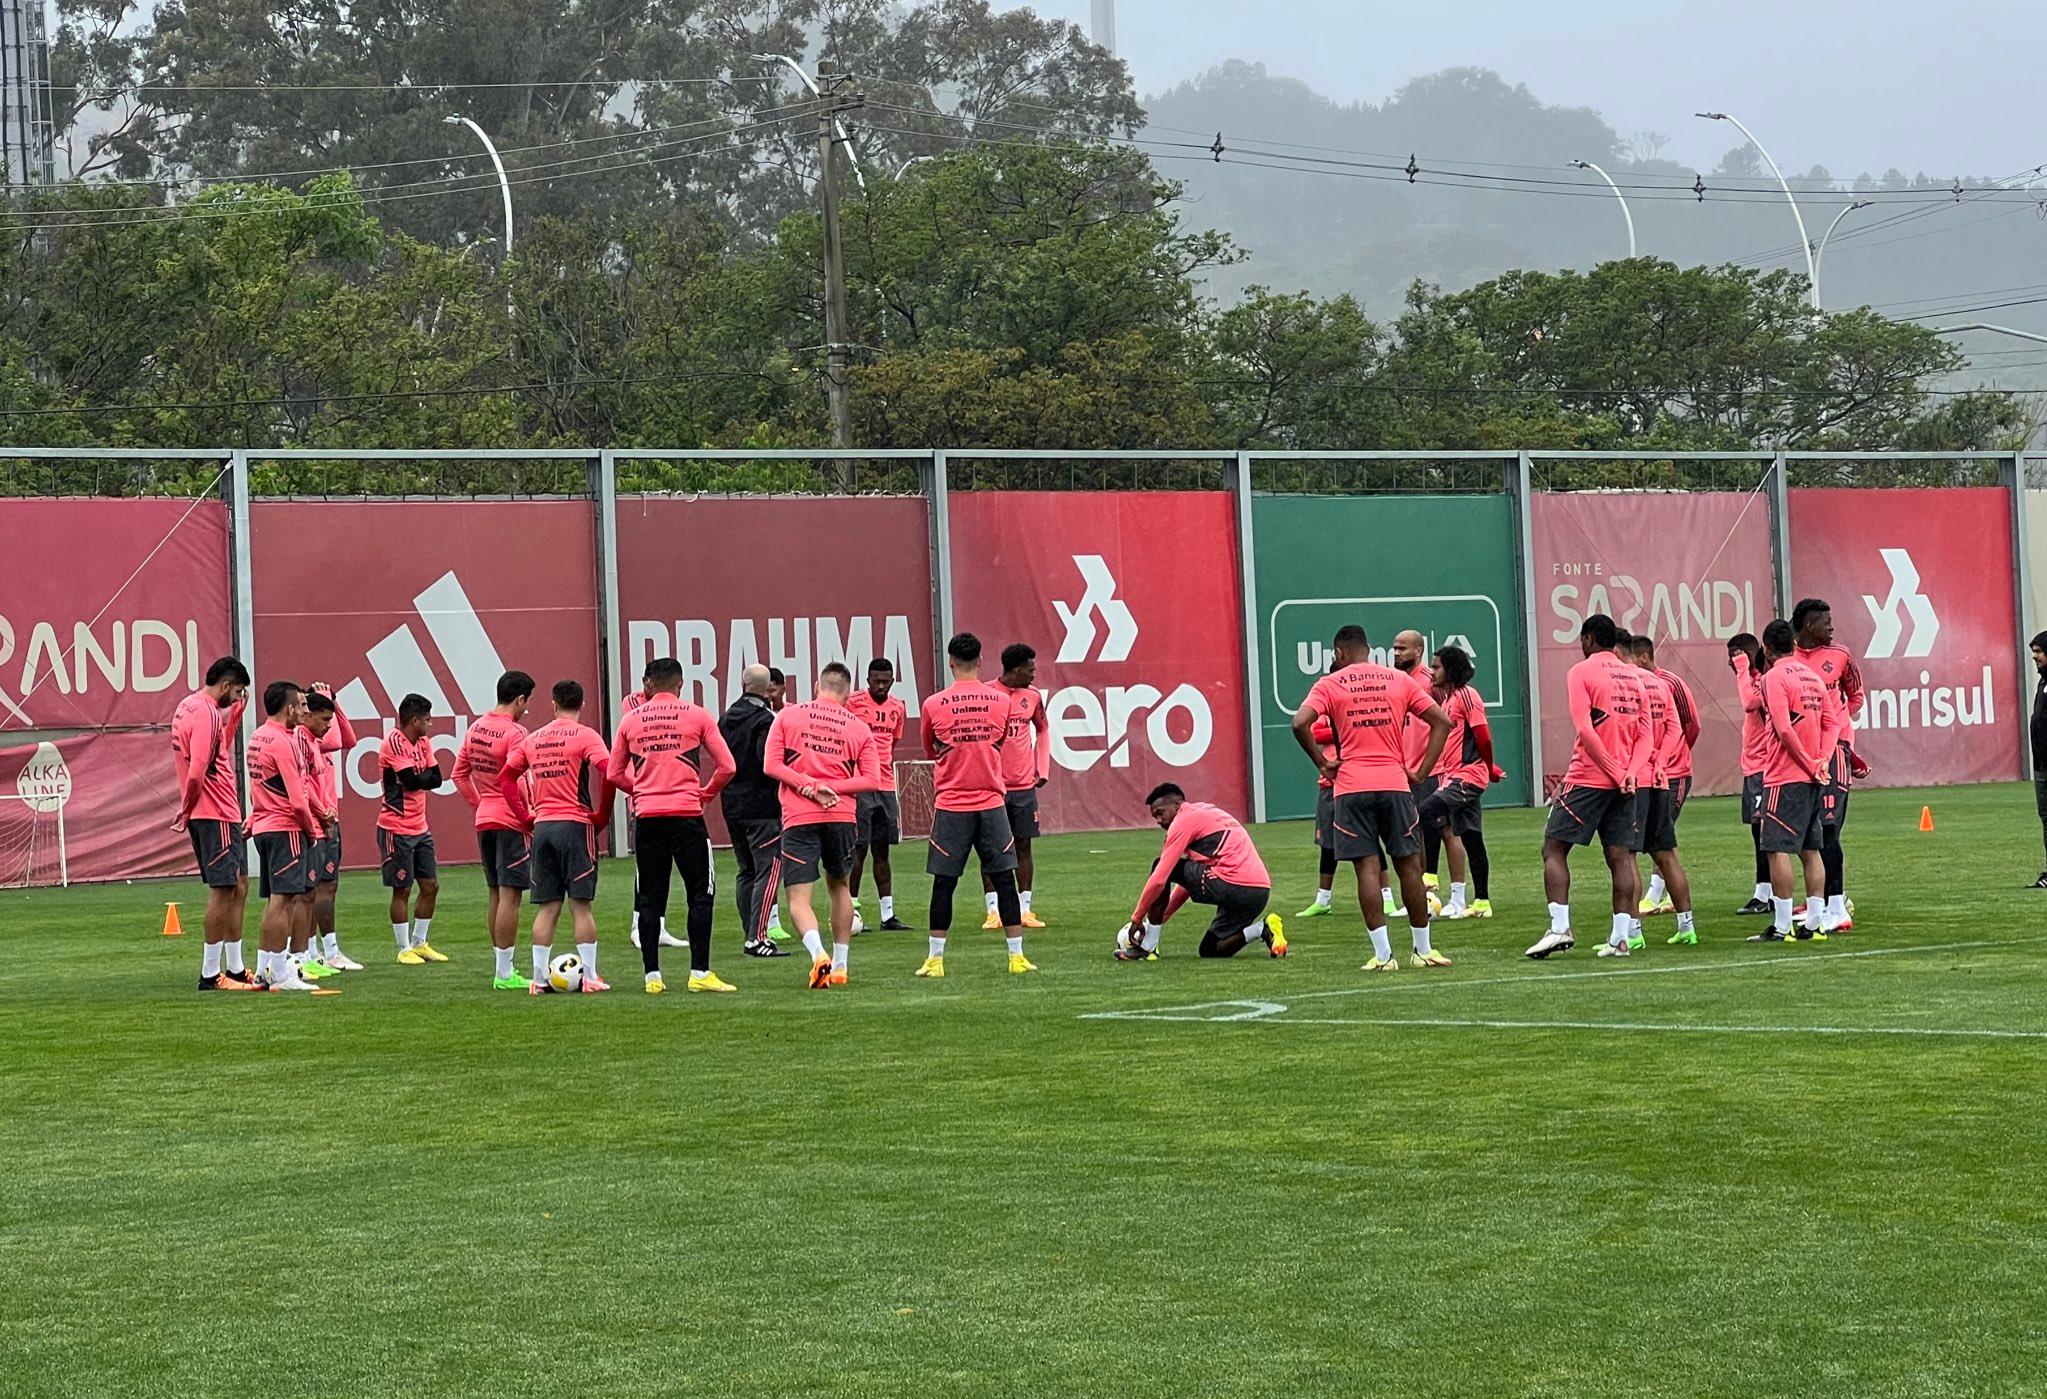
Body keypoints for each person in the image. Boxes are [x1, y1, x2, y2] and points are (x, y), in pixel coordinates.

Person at [1290, 624, 1450, 973]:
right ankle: (1423, 950)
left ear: (1339, 654)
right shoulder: (1399, 680)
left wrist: (1322, 762)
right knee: (1409, 864)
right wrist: (1421, 773)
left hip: (1351, 786)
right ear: (1370, 650)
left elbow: (1300, 722)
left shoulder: (1330, 683)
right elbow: (1442, 721)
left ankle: (1383, 956)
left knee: (1367, 867)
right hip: (1394, 783)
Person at [610, 657, 736, 994]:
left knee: (650, 897)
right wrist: (705, 794)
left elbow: (612, 773)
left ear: (649, 685)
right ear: (680, 684)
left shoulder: (631, 720)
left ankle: (652, 977)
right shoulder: (696, 715)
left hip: (648, 818)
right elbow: (727, 766)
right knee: (700, 895)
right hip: (686, 815)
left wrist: (640, 789)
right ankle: (699, 973)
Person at [1529, 613, 1648, 960]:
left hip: (1588, 778)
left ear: (1588, 640)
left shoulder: (1581, 672)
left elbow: (1585, 729)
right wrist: (1630, 773)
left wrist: (1613, 770)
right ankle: (1621, 938)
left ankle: (1559, 928)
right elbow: (1646, 736)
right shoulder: (1634, 676)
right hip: (1626, 783)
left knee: (1553, 849)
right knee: (1621, 858)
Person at [918, 633, 1033, 978]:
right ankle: (1016, 957)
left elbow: (930, 748)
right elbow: (998, 741)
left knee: (944, 883)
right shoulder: (1002, 702)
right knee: (1005, 879)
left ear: (951, 661)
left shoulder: (933, 704)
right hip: (991, 802)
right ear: (981, 661)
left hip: (952, 803)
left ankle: (936, 960)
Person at [763, 662, 883, 988]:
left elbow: (771, 764)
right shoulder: (859, 727)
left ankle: (818, 955)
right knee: (840, 887)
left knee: (799, 898)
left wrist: (810, 786)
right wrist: (834, 788)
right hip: (841, 816)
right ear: (847, 693)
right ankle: (841, 965)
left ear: (817, 685)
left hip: (799, 816)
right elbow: (872, 779)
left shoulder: (789, 716)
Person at [501, 680, 614, 994]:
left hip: (544, 826)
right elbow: (609, 771)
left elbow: (506, 778)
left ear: (553, 703)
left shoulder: (535, 738)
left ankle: (539, 980)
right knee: (581, 905)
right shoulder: (586, 735)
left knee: (547, 907)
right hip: (575, 824)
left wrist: (525, 817)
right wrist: (603, 814)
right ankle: (590, 975)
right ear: (582, 704)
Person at [1749, 620, 1844, 943]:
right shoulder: (1812, 676)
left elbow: (1782, 728)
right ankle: (1815, 923)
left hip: (1784, 775)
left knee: (1777, 849)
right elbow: (1833, 725)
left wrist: (1807, 762)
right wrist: (1821, 761)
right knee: (1811, 848)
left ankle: (1782, 925)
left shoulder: (1773, 678)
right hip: (1813, 777)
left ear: (1766, 647)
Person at [1117, 783, 1286, 961]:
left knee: (1160, 865)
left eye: (1160, 813)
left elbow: (1160, 878)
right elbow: (1189, 883)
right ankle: (1263, 929)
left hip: (1231, 883)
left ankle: (1148, 947)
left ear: (1177, 804)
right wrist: (1160, 917)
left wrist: (1137, 918)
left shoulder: (1183, 820)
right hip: (1258, 891)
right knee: (1210, 949)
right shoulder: (1206, 813)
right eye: (1154, 817)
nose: (1158, 821)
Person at [173, 656, 257, 991]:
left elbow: (213, 745)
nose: (237, 698)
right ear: (224, 685)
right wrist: (187, 808)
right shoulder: (207, 713)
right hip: (216, 812)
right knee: (223, 890)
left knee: (239, 885)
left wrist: (234, 716)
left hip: (217, 813)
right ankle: (210, 975)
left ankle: (234, 968)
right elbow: (197, 771)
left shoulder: (188, 706)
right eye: (236, 692)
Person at [453, 669, 538, 991]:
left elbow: (459, 774)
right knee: (510, 895)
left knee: (495, 892)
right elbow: (517, 780)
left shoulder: (476, 728)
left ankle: (501, 965)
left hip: (486, 818)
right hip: (510, 820)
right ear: (519, 699)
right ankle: (505, 973)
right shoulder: (515, 734)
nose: (526, 709)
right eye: (526, 703)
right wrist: (526, 816)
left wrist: (480, 804)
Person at [247, 680, 332, 993]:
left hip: (264, 826)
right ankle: (281, 973)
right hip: (286, 829)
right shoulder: (284, 742)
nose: (305, 710)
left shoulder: (258, 736)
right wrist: (311, 831)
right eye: (302, 704)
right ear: (289, 708)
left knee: (274, 901)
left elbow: (260, 786)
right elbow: (297, 799)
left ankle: (264, 970)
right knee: (284, 901)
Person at [1793, 598, 1867, 932]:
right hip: (1799, 752)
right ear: (1809, 625)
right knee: (1806, 830)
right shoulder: (1786, 660)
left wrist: (1838, 728)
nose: (1831, 628)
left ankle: (1836, 906)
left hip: (1834, 750)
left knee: (1828, 827)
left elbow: (1856, 695)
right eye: (1826, 622)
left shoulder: (1841, 655)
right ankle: (1817, 901)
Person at [1626, 634, 1695, 949]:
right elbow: (1675, 728)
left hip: (1636, 780)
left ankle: (1634, 933)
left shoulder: (1627, 682)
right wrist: (1661, 762)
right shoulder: (1660, 684)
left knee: (1626, 856)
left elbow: (1626, 730)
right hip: (1660, 778)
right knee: (1666, 855)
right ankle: (1687, 927)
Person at [1419, 645, 1496, 922]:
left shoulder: (1466, 695)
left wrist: (1489, 767)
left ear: (1450, 669)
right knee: (1472, 838)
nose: (1432, 671)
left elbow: (1483, 736)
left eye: (1437, 666)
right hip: (1456, 774)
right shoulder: (1449, 699)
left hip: (1467, 776)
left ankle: (1429, 874)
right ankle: (1482, 901)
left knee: (1427, 811)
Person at [720, 664, 788, 959]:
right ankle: (757, 937)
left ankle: (750, 931)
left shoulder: (725, 718)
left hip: (732, 804)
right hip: (762, 806)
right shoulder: (766, 720)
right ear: (768, 688)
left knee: (745, 871)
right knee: (770, 868)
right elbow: (767, 762)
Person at [985, 642, 1051, 930]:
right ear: (1015, 669)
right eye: (1030, 669)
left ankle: (1024, 909)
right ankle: (993, 911)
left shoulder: (1033, 697)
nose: (1034, 674)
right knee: (992, 848)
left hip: (1024, 785)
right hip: (992, 785)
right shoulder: (987, 694)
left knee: (1023, 844)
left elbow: (1043, 729)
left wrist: (1042, 767)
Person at [379, 693, 448, 965]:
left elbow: (437, 779)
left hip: (421, 826)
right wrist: (419, 779)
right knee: (402, 889)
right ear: (414, 720)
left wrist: (419, 779)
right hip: (396, 826)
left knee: (431, 885)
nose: (431, 724)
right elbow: (411, 780)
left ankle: (420, 943)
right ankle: (403, 947)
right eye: (427, 719)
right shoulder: (393, 742)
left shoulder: (424, 742)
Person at [846, 657, 912, 933]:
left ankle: (888, 915)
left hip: (885, 786)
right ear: (868, 680)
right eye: (877, 681)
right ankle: (852, 912)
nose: (881, 686)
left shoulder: (898, 707)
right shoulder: (853, 703)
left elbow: (893, 742)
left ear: (893, 680)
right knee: (858, 849)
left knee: (882, 851)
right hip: (860, 785)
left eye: (886, 681)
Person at [621, 668, 684, 956]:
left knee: (664, 866)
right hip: (645, 794)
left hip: (666, 796)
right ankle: (639, 926)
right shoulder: (633, 704)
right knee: (646, 869)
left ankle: (657, 925)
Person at [299, 684, 362, 971]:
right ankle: (310, 951)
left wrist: (336, 704)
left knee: (328, 885)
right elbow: (337, 740)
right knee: (312, 889)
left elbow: (349, 739)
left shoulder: (320, 735)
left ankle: (326, 950)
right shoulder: (307, 737)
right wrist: (327, 703)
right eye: (324, 716)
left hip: (329, 818)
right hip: (317, 819)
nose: (328, 724)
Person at [1387, 629, 1438, 917]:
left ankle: (1433, 897)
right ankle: (1418, 896)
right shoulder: (1394, 682)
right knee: (1410, 833)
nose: (1397, 654)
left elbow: (1445, 724)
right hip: (1400, 770)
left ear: (1418, 651)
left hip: (1424, 771)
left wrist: (1427, 766)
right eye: (1394, 649)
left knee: (1435, 832)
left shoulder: (1430, 683)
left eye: (1402, 649)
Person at [1728, 634, 1776, 917]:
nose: (1730, 663)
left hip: (1764, 767)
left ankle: (1765, 893)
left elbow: (1749, 702)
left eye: (1732, 656)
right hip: (1753, 768)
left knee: (1764, 832)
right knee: (1757, 831)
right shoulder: (1754, 678)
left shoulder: (1759, 680)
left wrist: (1743, 667)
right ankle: (1765, 892)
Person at [2031, 632, 2047, 889]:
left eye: (2039, 651)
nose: (2034, 656)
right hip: (2042, 767)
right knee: (2046, 817)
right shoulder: (2042, 684)